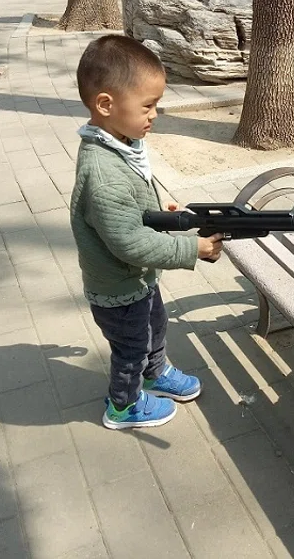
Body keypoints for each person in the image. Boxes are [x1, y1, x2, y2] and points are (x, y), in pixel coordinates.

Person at [70, 35, 224, 430]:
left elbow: (131, 214)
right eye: (148, 106)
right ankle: (123, 405)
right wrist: (192, 249)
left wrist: (158, 214)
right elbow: (128, 242)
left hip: (137, 283)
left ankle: (156, 374)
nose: (155, 114)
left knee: (156, 325)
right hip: (118, 290)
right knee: (131, 347)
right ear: (106, 105)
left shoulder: (119, 143)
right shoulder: (104, 172)